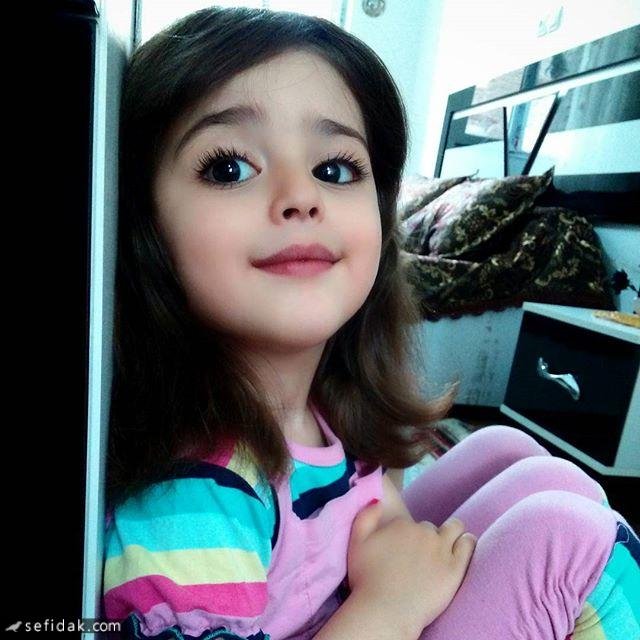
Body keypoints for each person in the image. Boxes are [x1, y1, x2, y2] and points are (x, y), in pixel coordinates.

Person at [102, 7, 640, 640]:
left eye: (335, 169)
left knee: (521, 457)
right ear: (140, 222)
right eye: (229, 168)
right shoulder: (197, 491)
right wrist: (388, 605)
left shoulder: (325, 409)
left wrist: (393, 553)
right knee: (570, 539)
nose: (301, 198)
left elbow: (366, 521)